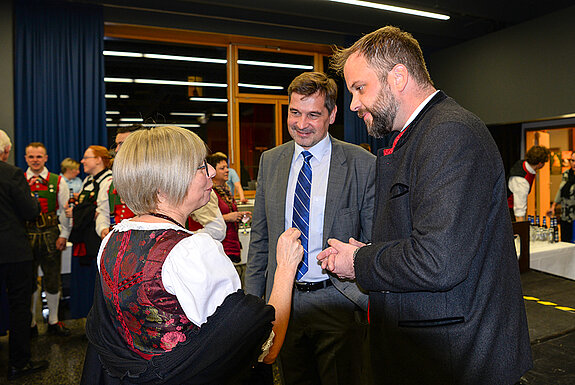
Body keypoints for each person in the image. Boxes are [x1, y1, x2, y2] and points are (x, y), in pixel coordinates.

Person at [318, 26, 532, 384]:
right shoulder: (420, 135)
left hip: (459, 358)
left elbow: (439, 260)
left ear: (398, 77)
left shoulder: (450, 133)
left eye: (360, 88)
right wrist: (371, 252)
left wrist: (359, 262)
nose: (353, 104)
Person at [80, 126, 303, 384]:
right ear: (167, 181)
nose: (210, 172)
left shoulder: (113, 239)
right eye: (200, 166)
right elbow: (265, 348)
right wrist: (286, 267)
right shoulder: (192, 251)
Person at [244, 72, 376, 385]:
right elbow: (261, 240)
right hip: (284, 302)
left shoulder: (361, 163)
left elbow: (373, 240)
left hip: (340, 301)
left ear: (332, 115)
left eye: (313, 114)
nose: (302, 123)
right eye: (295, 112)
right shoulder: (270, 161)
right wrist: (253, 305)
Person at [0, 130, 47, 380]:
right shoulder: (12, 174)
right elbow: (30, 211)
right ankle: (19, 362)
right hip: (13, 252)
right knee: (19, 307)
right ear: (6, 151)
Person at [24, 142, 72, 336]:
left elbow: (65, 212)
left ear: (46, 158)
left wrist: (63, 235)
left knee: (53, 279)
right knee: (27, 280)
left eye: (39, 156)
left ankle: (53, 321)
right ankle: (31, 323)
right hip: (25, 235)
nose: (35, 160)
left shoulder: (58, 181)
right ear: (26, 158)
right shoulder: (20, 180)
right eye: (31, 157)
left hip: (51, 233)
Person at [66, 145, 112, 319]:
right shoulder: (88, 180)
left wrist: (80, 212)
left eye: (86, 157)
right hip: (84, 240)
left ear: (99, 159)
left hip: (96, 241)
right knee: (84, 282)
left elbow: (102, 212)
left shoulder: (108, 181)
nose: (82, 161)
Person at [207, 153, 252, 263]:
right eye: (222, 168)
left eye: (227, 167)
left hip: (233, 245)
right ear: (213, 171)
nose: (227, 170)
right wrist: (228, 217)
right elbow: (206, 221)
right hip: (219, 248)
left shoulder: (226, 191)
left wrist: (239, 216)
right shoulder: (209, 193)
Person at [508, 145, 550, 221]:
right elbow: (519, 212)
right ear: (540, 164)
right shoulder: (522, 181)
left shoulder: (522, 163)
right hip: (508, 213)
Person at [549, 151, 575, 242]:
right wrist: (553, 206)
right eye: (572, 160)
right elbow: (560, 190)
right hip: (565, 213)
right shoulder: (566, 174)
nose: (573, 163)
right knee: (565, 241)